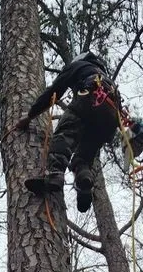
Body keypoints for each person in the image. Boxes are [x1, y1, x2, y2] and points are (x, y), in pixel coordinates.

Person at [15, 51, 122, 213]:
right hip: (110, 117)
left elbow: (55, 91)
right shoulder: (108, 80)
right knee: (83, 158)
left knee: (64, 134)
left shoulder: (78, 66)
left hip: (89, 99)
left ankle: (55, 174)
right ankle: (84, 182)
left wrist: (30, 116)